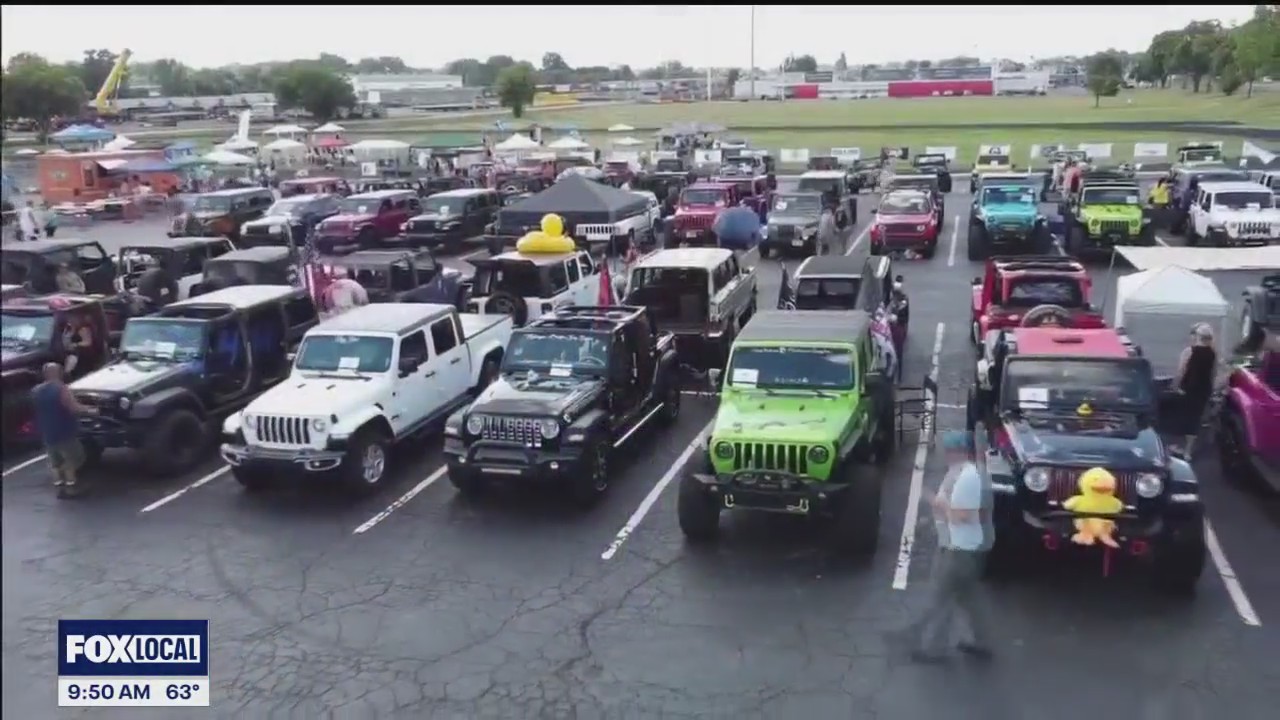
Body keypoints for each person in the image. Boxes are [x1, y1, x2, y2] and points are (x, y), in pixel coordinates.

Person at [911, 430, 995, 663]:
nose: (946, 454)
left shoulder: (968, 478)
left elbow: (963, 516)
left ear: (960, 452)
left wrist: (937, 503)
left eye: (950, 450)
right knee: (968, 597)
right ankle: (981, 642)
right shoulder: (958, 473)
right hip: (960, 546)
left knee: (941, 597)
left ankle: (933, 649)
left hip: (960, 550)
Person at [31, 362, 96, 498]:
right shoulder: (61, 389)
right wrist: (91, 410)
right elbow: (73, 407)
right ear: (58, 373)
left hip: (47, 430)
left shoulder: (36, 390)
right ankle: (70, 486)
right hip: (64, 429)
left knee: (55, 460)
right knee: (75, 457)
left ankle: (59, 484)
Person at [1172, 323, 1217, 459]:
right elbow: (1213, 373)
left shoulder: (1189, 351)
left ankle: (1180, 447)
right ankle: (1188, 451)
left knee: (1184, 417)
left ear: (1197, 336)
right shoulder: (1212, 354)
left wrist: (1175, 386)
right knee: (1195, 419)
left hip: (1188, 389)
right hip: (1203, 390)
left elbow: (1181, 371)